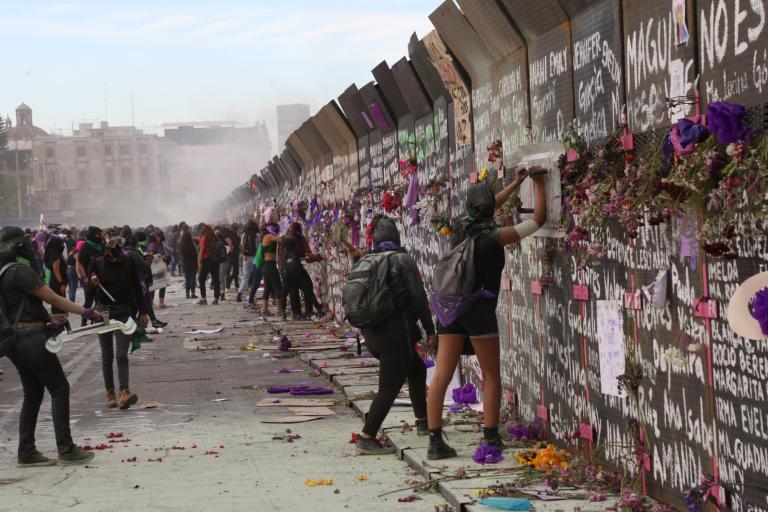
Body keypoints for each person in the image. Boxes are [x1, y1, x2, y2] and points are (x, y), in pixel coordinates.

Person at [426, 168, 547, 460]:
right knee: (492, 374)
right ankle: (491, 438)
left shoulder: (458, 227)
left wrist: (516, 183)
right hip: (480, 310)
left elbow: (489, 205)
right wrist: (540, 184)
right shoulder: (497, 237)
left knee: (441, 374)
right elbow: (539, 220)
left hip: (452, 309)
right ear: (490, 208)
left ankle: (434, 441)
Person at [0, 226, 101, 467]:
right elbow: (53, 299)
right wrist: (88, 312)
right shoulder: (19, 271)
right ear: (19, 246)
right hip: (32, 339)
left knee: (33, 393)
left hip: (14, 340)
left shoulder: (3, 273)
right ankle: (66, 449)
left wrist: (50, 319)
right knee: (59, 388)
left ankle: (26, 452)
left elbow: (19, 307)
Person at [344, 216, 436, 455]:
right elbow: (418, 297)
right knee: (389, 387)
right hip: (396, 332)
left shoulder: (365, 260)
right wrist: (431, 329)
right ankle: (367, 436)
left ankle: (423, 421)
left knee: (416, 369)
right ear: (396, 237)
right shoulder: (401, 260)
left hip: (371, 332)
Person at [89, 231, 150, 409]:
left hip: (124, 311)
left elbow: (137, 288)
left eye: (117, 244)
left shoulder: (129, 262)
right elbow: (90, 293)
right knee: (107, 356)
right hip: (103, 313)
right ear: (106, 246)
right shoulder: (96, 264)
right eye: (111, 244)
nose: (115, 249)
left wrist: (143, 311)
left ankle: (124, 392)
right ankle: (110, 393)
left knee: (121, 354)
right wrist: (92, 283)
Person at [281, 222, 323, 319]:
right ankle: (314, 309)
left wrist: (282, 273)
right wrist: (319, 257)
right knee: (308, 288)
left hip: (287, 275)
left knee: (290, 292)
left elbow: (281, 262)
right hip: (298, 272)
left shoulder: (284, 250)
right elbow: (307, 255)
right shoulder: (297, 248)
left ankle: (294, 313)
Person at [76, 226, 103, 327]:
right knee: (88, 300)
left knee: (99, 300)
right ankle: (84, 320)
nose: (100, 236)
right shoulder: (86, 246)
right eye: (98, 234)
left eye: (101, 234)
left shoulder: (102, 245)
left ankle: (97, 319)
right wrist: (84, 277)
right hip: (88, 277)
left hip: (100, 278)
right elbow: (80, 263)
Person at [260, 223, 283, 316]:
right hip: (270, 265)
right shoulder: (269, 236)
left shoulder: (266, 237)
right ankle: (279, 310)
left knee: (268, 288)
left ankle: (265, 310)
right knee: (278, 287)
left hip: (267, 266)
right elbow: (280, 239)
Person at [43, 236, 68, 315]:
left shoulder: (52, 254)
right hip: (57, 283)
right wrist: (62, 284)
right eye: (61, 244)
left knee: (59, 304)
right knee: (59, 305)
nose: (63, 246)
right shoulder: (56, 257)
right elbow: (56, 271)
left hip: (54, 281)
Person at [197, 224, 220, 305]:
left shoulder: (203, 238)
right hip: (215, 261)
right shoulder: (215, 238)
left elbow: (202, 250)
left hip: (206, 260)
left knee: (201, 279)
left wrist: (199, 260)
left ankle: (204, 298)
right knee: (216, 279)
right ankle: (216, 299)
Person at [236, 220, 258, 302]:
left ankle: (239, 295)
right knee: (256, 277)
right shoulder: (258, 235)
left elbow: (241, 246)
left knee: (245, 276)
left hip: (245, 258)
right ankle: (251, 296)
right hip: (255, 258)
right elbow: (258, 247)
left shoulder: (243, 235)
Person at [147, 231, 169, 309]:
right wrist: (159, 256)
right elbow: (150, 255)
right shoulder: (152, 245)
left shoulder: (161, 244)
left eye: (160, 236)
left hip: (161, 267)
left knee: (163, 284)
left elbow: (164, 253)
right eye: (158, 236)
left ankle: (161, 302)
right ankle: (151, 303)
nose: (159, 237)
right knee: (153, 285)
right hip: (154, 268)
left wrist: (165, 257)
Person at [178, 223, 198, 299]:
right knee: (193, 278)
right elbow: (195, 254)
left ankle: (187, 293)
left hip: (185, 264)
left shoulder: (182, 245)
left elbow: (181, 254)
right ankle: (193, 293)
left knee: (187, 279)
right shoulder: (192, 245)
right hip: (192, 263)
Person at [214, 226, 233, 301]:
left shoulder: (214, 241)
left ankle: (218, 293)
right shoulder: (226, 240)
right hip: (224, 260)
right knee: (222, 278)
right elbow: (230, 250)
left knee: (218, 278)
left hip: (215, 261)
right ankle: (222, 294)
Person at [226, 223, 241, 291]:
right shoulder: (237, 237)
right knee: (236, 270)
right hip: (234, 254)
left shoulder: (228, 236)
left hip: (229, 255)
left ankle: (228, 284)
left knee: (229, 270)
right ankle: (235, 283)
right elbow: (238, 246)